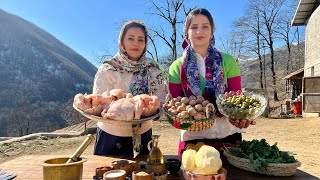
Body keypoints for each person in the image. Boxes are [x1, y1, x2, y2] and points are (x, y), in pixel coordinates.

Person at [168, 8, 255, 155]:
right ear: (186, 32)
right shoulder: (177, 67)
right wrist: (179, 119)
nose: (199, 31)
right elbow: (177, 106)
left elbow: (236, 98)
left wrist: (241, 116)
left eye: (205, 26)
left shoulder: (228, 61)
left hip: (227, 135)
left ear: (212, 31)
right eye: (193, 27)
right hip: (192, 138)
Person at [92, 20, 167, 156]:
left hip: (144, 133)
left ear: (145, 44)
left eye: (140, 39)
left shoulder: (152, 69)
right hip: (111, 135)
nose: (135, 43)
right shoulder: (107, 69)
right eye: (130, 38)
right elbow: (97, 103)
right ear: (122, 42)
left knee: (143, 175)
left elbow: (161, 100)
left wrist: (151, 109)